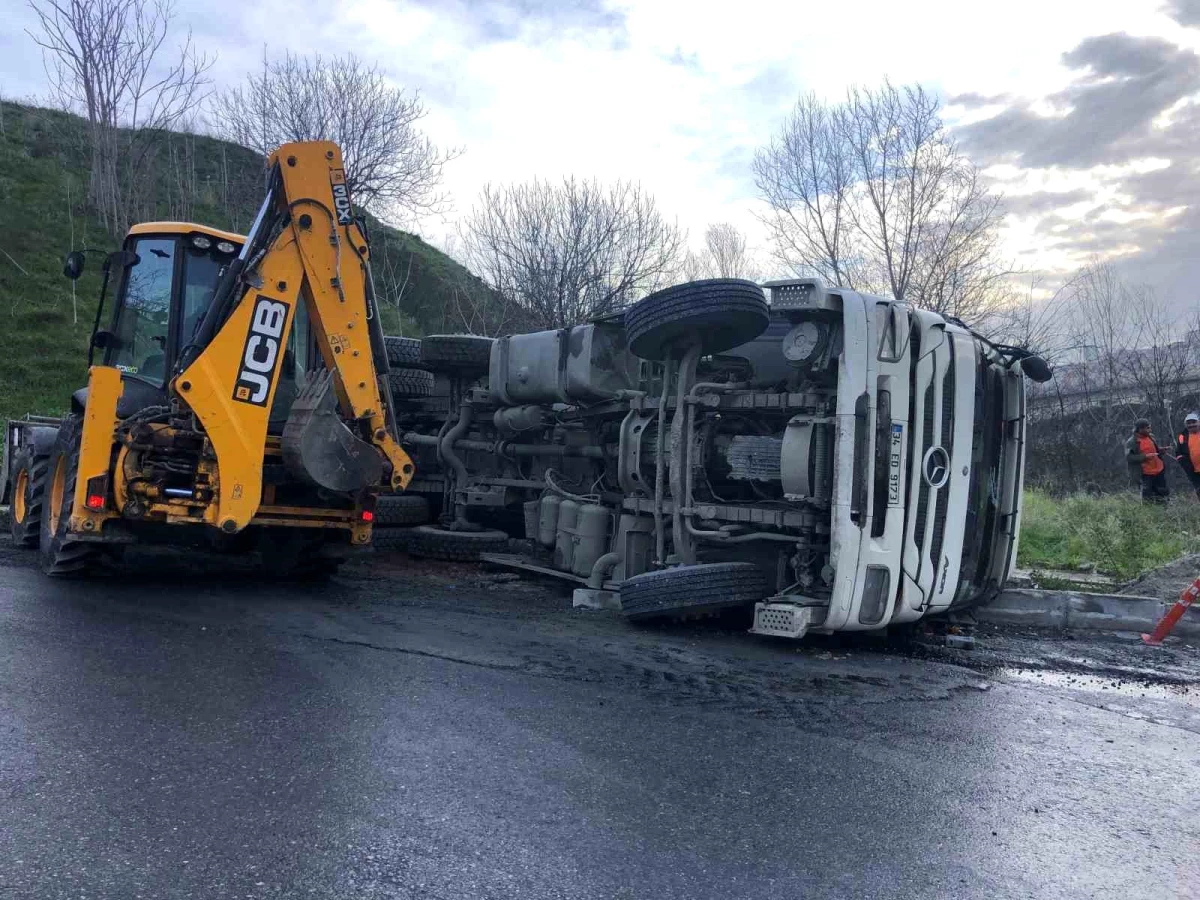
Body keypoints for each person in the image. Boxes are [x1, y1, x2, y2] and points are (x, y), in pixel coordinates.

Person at [1126, 418, 1170, 503]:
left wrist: (1161, 450)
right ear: (1140, 429)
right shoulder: (1132, 442)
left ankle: (1163, 511)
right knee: (1147, 497)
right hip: (1145, 474)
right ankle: (1149, 514)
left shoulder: (1151, 437)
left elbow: (1155, 451)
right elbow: (1129, 458)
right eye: (1148, 428)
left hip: (1159, 470)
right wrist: (1144, 457)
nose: (1150, 430)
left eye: (1150, 427)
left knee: (1162, 493)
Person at [1175, 412, 1200, 499]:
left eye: (1194, 422)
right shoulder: (1182, 436)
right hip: (1193, 470)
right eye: (1189, 423)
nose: (1191, 425)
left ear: (1198, 422)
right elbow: (1178, 453)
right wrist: (1183, 462)